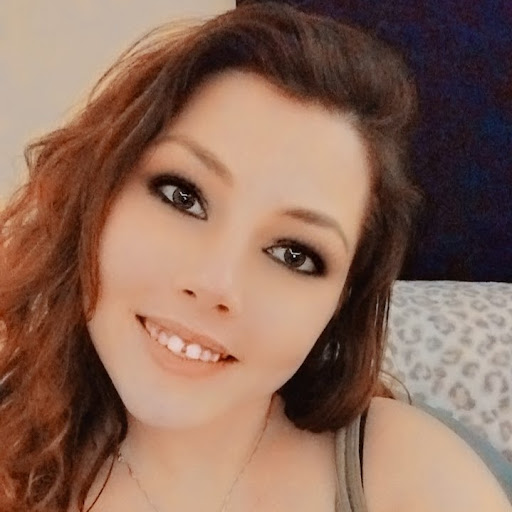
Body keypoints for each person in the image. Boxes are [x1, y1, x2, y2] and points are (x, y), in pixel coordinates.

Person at [0, 2, 510, 511]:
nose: (214, 282)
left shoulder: (410, 478)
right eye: (183, 196)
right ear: (97, 192)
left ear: (341, 301)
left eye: (293, 254)